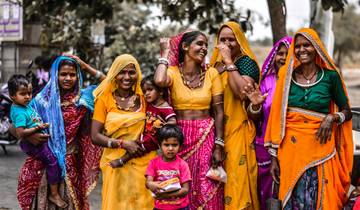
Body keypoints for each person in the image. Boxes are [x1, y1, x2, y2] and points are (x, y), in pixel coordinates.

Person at [264, 28, 353, 209]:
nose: (301, 50)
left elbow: (347, 110)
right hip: (290, 154)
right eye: (298, 46)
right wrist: (274, 158)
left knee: (319, 199)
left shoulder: (330, 77)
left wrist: (332, 117)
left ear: (317, 48)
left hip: (321, 151)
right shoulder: (287, 78)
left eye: (307, 45)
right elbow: (276, 119)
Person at [17, 56, 104, 210]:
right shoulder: (41, 100)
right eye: (63, 74)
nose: (68, 78)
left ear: (78, 76)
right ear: (55, 74)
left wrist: (84, 65)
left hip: (71, 164)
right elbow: (16, 123)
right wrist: (29, 135)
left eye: (72, 74)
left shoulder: (84, 98)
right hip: (44, 164)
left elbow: (109, 83)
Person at [155, 30, 226, 210]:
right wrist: (164, 53)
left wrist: (219, 145)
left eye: (205, 45)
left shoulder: (212, 75)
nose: (204, 49)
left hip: (206, 138)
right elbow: (159, 79)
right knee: (179, 186)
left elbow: (218, 112)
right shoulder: (172, 72)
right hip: (180, 138)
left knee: (207, 188)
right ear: (185, 47)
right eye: (199, 44)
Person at [91, 54, 157, 209]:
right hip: (115, 164)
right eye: (122, 72)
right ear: (115, 73)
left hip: (144, 161)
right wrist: (122, 143)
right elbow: (95, 136)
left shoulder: (145, 98)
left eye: (131, 72)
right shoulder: (104, 99)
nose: (127, 77)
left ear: (137, 74)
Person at [210, 21, 262, 210]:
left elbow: (242, 93)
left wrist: (229, 62)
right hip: (214, 135)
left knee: (237, 188)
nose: (227, 44)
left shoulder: (246, 63)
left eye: (231, 39)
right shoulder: (213, 67)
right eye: (222, 39)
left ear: (240, 41)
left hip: (238, 133)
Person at [8, 75, 67, 208]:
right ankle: (54, 194)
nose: (28, 97)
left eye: (29, 93)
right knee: (52, 161)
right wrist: (36, 129)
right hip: (35, 145)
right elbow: (20, 132)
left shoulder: (26, 105)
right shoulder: (20, 111)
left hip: (42, 141)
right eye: (23, 94)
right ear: (12, 96)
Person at [254, 36, 292, 208]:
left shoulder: (298, 83)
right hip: (265, 145)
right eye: (280, 53)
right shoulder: (267, 82)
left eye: (287, 53)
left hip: (291, 144)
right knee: (267, 191)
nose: (283, 58)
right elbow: (256, 116)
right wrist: (255, 106)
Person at [108, 75, 176, 168]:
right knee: (135, 144)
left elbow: (173, 121)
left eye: (150, 90)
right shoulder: (150, 104)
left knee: (138, 147)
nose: (146, 93)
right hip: (146, 134)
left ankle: (122, 160)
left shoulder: (165, 108)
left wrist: (162, 127)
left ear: (160, 91)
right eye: (144, 91)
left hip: (154, 138)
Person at [145, 124, 191, 210]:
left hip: (181, 207)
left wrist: (165, 195)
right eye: (166, 145)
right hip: (161, 207)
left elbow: (185, 190)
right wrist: (151, 184)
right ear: (159, 146)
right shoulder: (153, 163)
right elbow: (148, 183)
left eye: (174, 145)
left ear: (180, 146)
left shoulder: (183, 164)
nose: (170, 148)